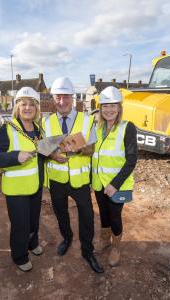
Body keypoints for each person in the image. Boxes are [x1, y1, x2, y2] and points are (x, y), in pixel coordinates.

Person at [44, 76, 104, 273]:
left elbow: (92, 148)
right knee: (60, 213)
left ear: (72, 98)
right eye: (58, 98)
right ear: (54, 99)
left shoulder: (86, 120)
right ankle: (67, 237)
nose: (62, 102)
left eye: (66, 97)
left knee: (86, 216)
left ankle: (87, 251)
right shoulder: (46, 122)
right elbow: (44, 149)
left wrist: (79, 149)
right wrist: (53, 155)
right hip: (57, 180)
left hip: (79, 180)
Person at [0, 87, 44, 272]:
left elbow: (39, 154)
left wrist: (53, 153)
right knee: (20, 224)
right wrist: (15, 156)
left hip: (35, 185)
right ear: (17, 108)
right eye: (24, 104)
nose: (28, 108)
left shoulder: (38, 129)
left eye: (31, 104)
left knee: (34, 220)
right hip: (16, 189)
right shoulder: (8, 128)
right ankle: (19, 256)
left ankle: (32, 243)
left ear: (36, 108)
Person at [91, 86, 137, 267]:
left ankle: (116, 247)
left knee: (115, 217)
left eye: (113, 106)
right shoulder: (97, 127)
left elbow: (131, 160)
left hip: (117, 184)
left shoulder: (127, 128)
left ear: (119, 108)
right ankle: (104, 241)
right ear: (100, 109)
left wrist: (115, 184)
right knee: (103, 215)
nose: (109, 110)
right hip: (98, 182)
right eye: (105, 106)